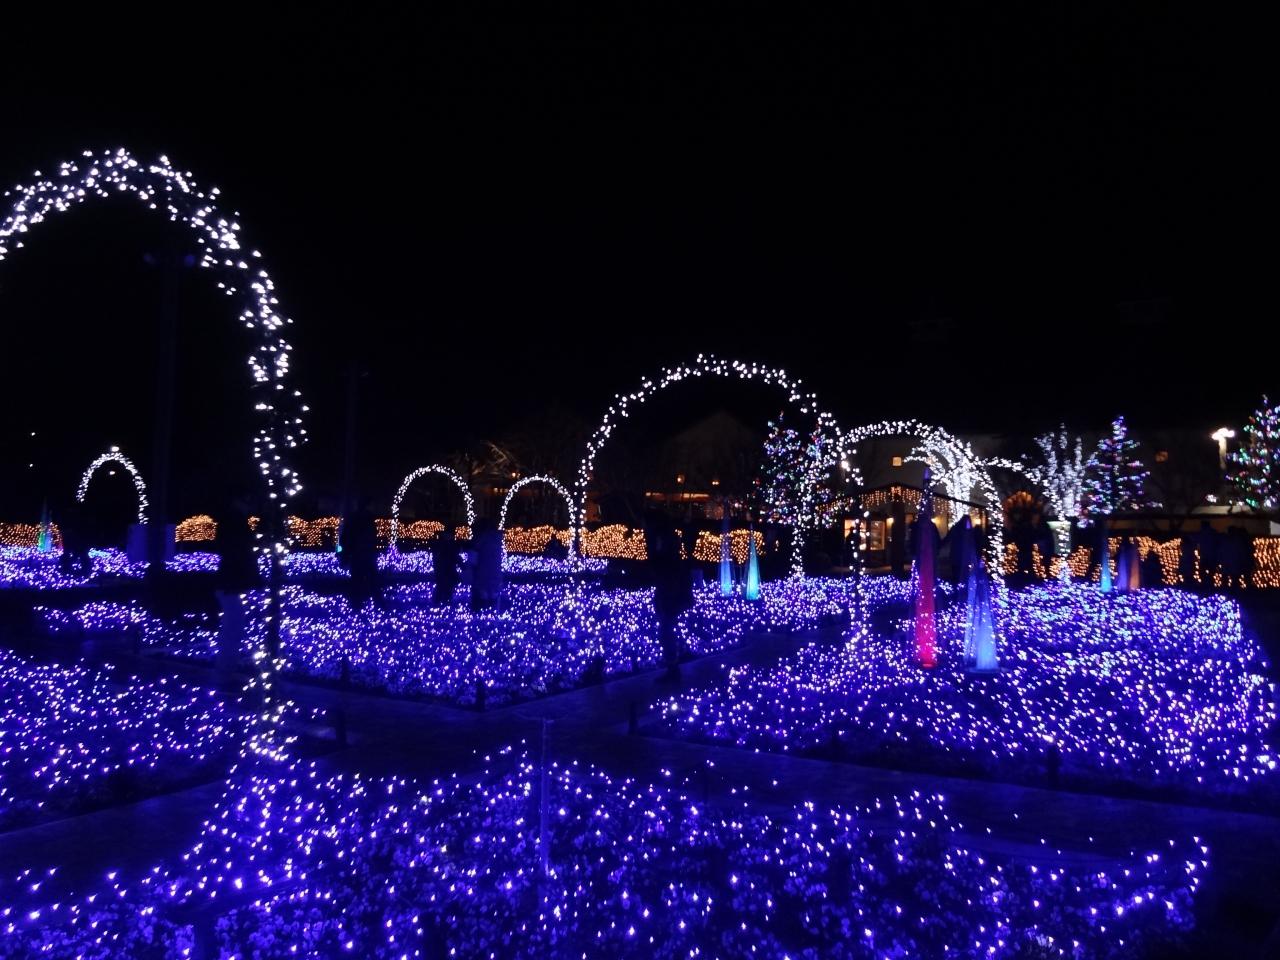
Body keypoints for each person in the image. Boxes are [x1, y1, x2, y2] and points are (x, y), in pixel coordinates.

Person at [645, 510, 693, 678]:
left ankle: (673, 668)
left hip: (670, 593)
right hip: (669, 592)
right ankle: (673, 665)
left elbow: (666, 570)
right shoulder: (667, 542)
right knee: (666, 629)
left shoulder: (665, 544)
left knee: (666, 630)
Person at [214, 492, 259, 672]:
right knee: (234, 622)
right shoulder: (236, 522)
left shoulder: (233, 521)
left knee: (233, 621)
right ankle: (227, 664)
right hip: (231, 580)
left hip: (230, 579)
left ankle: (227, 663)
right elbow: (239, 551)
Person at [468, 516, 504, 611]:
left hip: (481, 576)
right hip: (495, 576)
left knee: (481, 600)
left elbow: (472, 561)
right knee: (492, 599)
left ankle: (479, 613)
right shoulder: (497, 539)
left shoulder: (478, 541)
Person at [430, 527, 460, 605]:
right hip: (445, 569)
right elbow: (454, 556)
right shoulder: (445, 544)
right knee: (443, 586)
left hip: (446, 569)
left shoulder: (447, 544)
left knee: (444, 586)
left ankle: (441, 601)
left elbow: (455, 556)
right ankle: (441, 601)